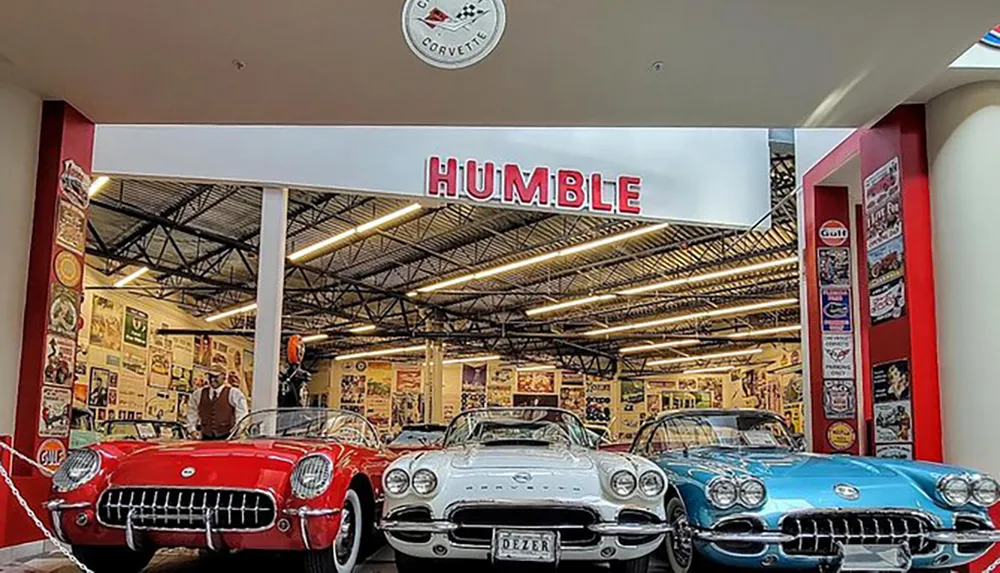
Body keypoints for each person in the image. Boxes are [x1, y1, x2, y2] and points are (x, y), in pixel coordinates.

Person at [186, 368, 249, 440]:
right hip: (205, 438)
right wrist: (192, 430)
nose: (212, 380)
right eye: (210, 376)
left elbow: (242, 415)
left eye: (215, 377)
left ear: (224, 377)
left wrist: (238, 431)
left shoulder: (234, 393)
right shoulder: (198, 394)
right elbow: (192, 412)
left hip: (227, 438)